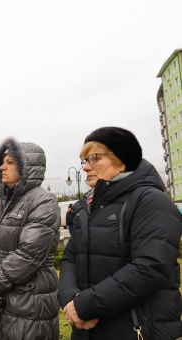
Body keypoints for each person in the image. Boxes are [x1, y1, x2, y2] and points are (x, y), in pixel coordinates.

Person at [58, 127, 182, 340]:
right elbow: (70, 257)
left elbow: (150, 267)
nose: (86, 167)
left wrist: (84, 305)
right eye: (84, 160)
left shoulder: (150, 201)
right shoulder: (87, 207)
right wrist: (70, 299)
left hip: (139, 330)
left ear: (122, 160)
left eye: (94, 158)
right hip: (87, 329)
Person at [0, 138, 61, 339]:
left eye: (10, 162)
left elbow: (29, 255)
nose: (2, 167)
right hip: (3, 301)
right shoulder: (3, 199)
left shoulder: (43, 201)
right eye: (3, 161)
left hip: (31, 303)